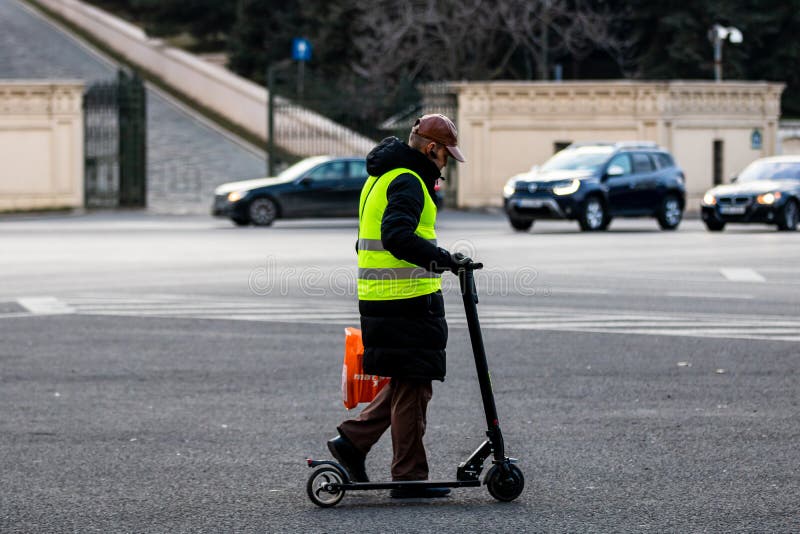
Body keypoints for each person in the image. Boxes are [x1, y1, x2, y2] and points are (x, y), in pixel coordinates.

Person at [327, 114, 469, 499]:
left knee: (410, 380)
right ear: (431, 148)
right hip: (405, 299)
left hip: (384, 297)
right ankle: (408, 476)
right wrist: (445, 261)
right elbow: (396, 236)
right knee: (415, 383)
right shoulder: (407, 179)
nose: (445, 166)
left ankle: (352, 443)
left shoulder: (383, 175)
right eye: (444, 157)